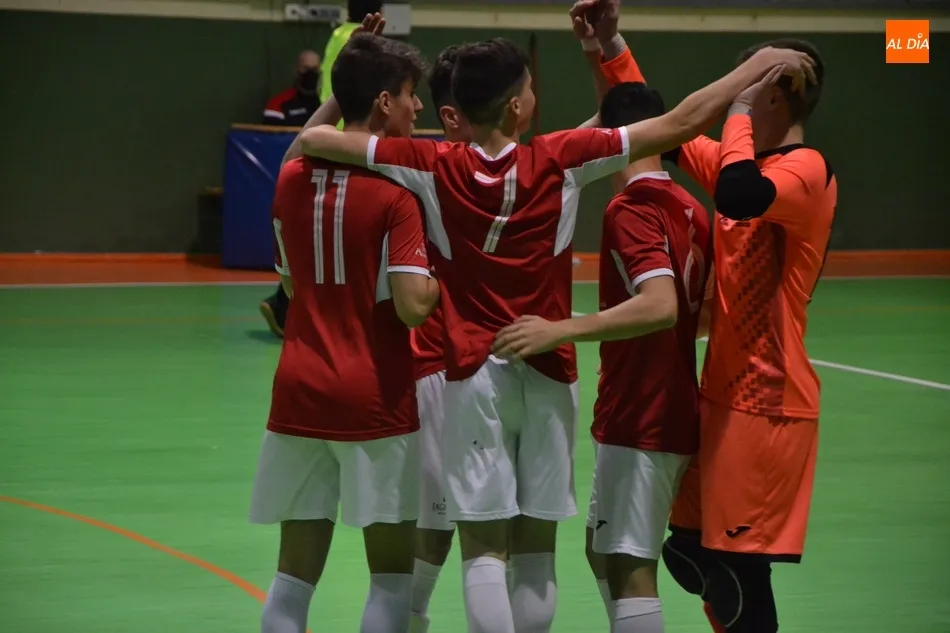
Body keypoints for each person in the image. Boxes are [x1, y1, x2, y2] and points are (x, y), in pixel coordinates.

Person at [298, 36, 814, 633]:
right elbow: (678, 123)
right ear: (517, 106)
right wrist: (756, 68)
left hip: (475, 372)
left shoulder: (430, 163)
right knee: (536, 554)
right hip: (549, 371)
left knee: (483, 551)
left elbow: (313, 140)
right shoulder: (560, 157)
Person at [588, 3, 836, 632]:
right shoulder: (740, 157)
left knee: (742, 574)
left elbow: (739, 194)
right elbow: (662, 130)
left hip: (768, 401)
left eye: (751, 81)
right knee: (689, 551)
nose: (737, 92)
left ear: (774, 95)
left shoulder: (806, 170)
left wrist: (739, 110)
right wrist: (610, 47)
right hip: (721, 395)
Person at [492, 77, 713, 633]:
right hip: (666, 402)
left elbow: (660, 305)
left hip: (643, 411)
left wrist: (559, 330)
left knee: (629, 566)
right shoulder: (691, 207)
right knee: (600, 547)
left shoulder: (630, 209)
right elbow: (702, 312)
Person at [248, 33, 440, 633]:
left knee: (291, 579)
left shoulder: (289, 181)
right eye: (410, 94)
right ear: (384, 102)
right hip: (374, 397)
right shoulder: (398, 195)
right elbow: (413, 307)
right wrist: (445, 280)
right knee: (390, 578)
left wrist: (341, 85)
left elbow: (292, 284)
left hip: (299, 391)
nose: (418, 107)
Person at [258, 0, 384, 339]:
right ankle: (289, 304)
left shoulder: (336, 35)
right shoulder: (366, 40)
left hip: (326, 127)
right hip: (349, 135)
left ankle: (285, 302)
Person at [407, 44, 475, 633]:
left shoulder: (509, 165)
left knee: (453, 512)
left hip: (469, 363)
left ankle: (411, 612)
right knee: (439, 513)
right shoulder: (426, 164)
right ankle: (410, 615)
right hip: (431, 363)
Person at [262, 50, 322, 127]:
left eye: (315, 69)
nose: (310, 73)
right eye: (305, 68)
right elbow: (270, 133)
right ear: (296, 71)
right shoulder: (278, 104)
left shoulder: (329, 102)